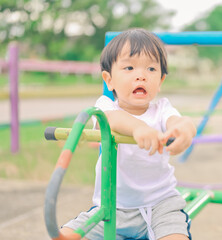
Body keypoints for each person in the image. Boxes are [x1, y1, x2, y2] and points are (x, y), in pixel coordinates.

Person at [60, 28, 196, 240]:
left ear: (160, 81)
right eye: (129, 67)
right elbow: (113, 120)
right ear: (109, 79)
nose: (141, 75)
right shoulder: (105, 106)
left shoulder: (162, 109)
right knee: (64, 236)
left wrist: (185, 130)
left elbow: (180, 121)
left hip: (161, 206)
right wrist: (138, 129)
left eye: (151, 69)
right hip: (111, 208)